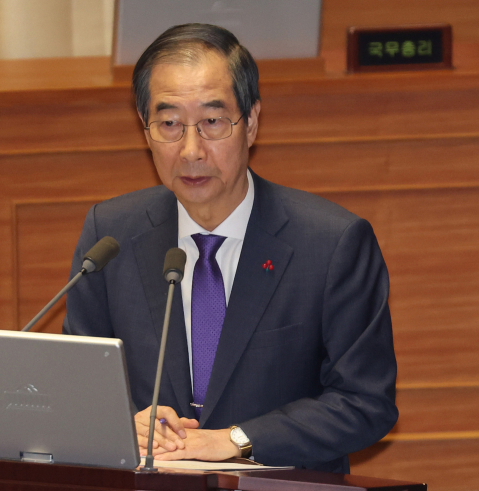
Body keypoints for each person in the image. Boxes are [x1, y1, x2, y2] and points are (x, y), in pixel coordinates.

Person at [62, 23, 397, 473]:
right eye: (169, 124)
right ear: (146, 131)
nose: (191, 150)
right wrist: (126, 423)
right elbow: (79, 386)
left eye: (213, 122)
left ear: (252, 123)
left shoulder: (332, 243)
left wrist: (237, 441)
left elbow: (365, 401)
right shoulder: (111, 236)